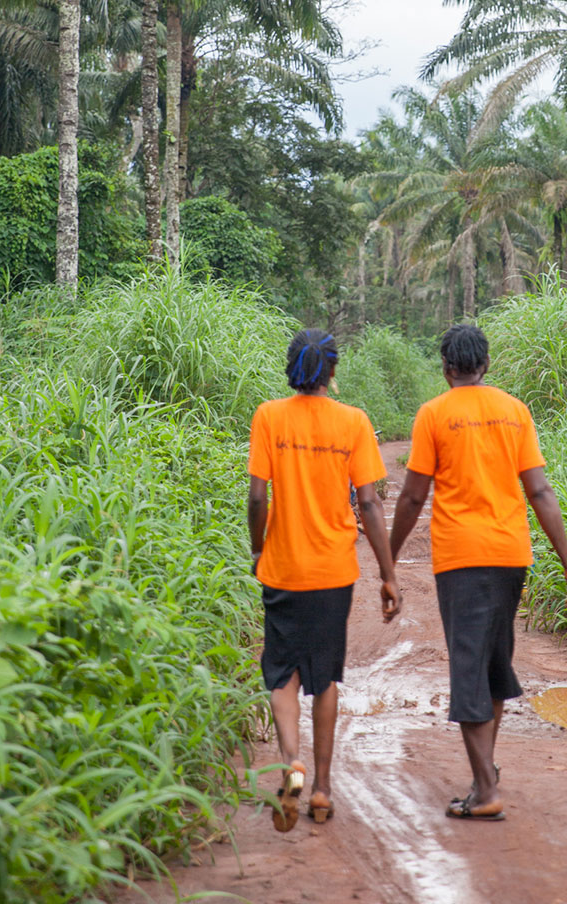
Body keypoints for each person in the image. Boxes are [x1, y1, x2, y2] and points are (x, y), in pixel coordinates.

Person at [389, 323, 567, 821]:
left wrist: (388, 557)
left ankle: (486, 790)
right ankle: (484, 779)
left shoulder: (434, 414)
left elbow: (412, 496)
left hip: (461, 559)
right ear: (486, 364)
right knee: (494, 665)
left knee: (469, 669)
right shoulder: (514, 411)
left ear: (446, 367)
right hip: (511, 556)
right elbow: (539, 491)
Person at [248, 327, 401, 832]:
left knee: (283, 674)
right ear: (332, 371)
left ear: (291, 368)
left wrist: (258, 548)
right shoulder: (353, 422)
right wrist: (388, 574)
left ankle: (291, 762)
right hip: (334, 571)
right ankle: (321, 790)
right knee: (325, 678)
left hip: (283, 566)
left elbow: (257, 497)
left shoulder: (269, 417)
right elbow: (370, 504)